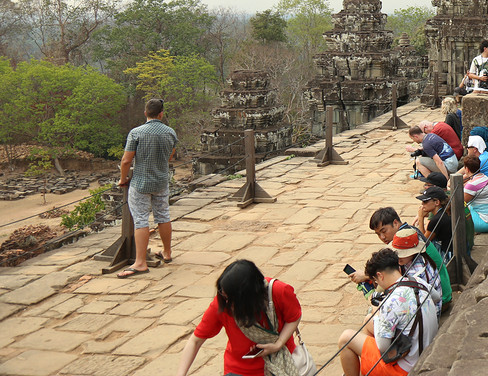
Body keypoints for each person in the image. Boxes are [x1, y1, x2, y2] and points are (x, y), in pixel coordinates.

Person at [175, 260, 306, 376]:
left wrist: (278, 344)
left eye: (231, 299)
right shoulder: (221, 304)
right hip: (239, 370)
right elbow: (195, 341)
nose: (227, 303)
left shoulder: (278, 291)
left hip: (282, 363)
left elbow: (294, 317)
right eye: (224, 296)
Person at [337, 248, 439, 376]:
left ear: (380, 275)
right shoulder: (416, 282)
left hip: (405, 368)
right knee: (368, 320)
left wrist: (378, 311)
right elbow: (436, 297)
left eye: (375, 280)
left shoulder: (390, 302)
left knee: (345, 338)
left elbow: (383, 347)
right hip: (425, 350)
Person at [117, 98, 177, 278]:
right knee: (163, 215)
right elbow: (170, 156)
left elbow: (126, 160)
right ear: (161, 114)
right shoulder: (170, 133)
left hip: (141, 182)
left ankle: (140, 262)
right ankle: (167, 253)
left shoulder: (136, 133)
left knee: (141, 219)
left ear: (145, 113)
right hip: (161, 181)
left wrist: (122, 178)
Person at [368, 207, 453, 310]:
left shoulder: (405, 243)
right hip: (441, 293)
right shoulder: (410, 231)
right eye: (378, 234)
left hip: (440, 300)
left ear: (395, 223)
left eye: (384, 231)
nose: (382, 237)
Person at [461, 154, 488, 232]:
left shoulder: (472, 184)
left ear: (467, 169)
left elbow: (460, 203)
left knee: (456, 213)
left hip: (486, 223)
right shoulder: (484, 177)